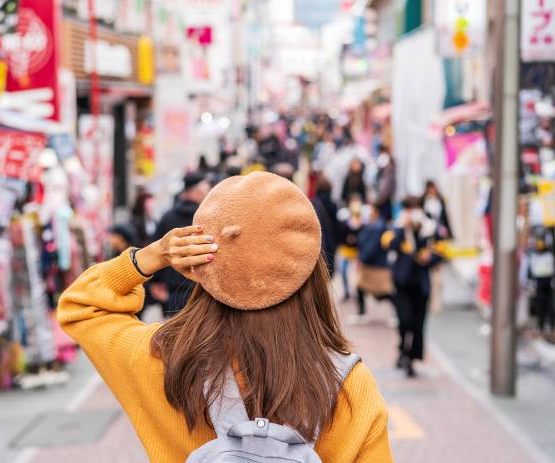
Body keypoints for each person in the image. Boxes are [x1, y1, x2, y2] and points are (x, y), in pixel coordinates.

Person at [58, 172, 392, 462]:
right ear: (313, 273)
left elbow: (80, 305)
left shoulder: (163, 360)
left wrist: (151, 256)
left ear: (201, 263)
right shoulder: (347, 385)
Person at [383, 196, 444, 378]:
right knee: (404, 319)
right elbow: (390, 246)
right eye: (409, 209)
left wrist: (430, 258)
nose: (413, 213)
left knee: (418, 323)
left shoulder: (430, 228)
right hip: (403, 282)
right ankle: (402, 347)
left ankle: (410, 357)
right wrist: (404, 228)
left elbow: (441, 252)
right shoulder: (397, 227)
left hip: (421, 283)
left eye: (415, 208)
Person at [149, 171, 212, 315]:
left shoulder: (167, 217)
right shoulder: (208, 218)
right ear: (199, 192)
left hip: (173, 290)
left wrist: (155, 281)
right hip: (203, 288)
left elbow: (156, 248)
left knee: (174, 334)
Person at [311, 176, 341, 275]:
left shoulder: (313, 202)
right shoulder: (333, 205)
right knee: (329, 264)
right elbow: (336, 224)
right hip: (331, 238)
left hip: (318, 237)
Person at [374, 147, 396, 222]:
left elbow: (388, 188)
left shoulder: (389, 172)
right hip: (379, 199)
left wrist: (380, 199)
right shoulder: (379, 171)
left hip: (385, 201)